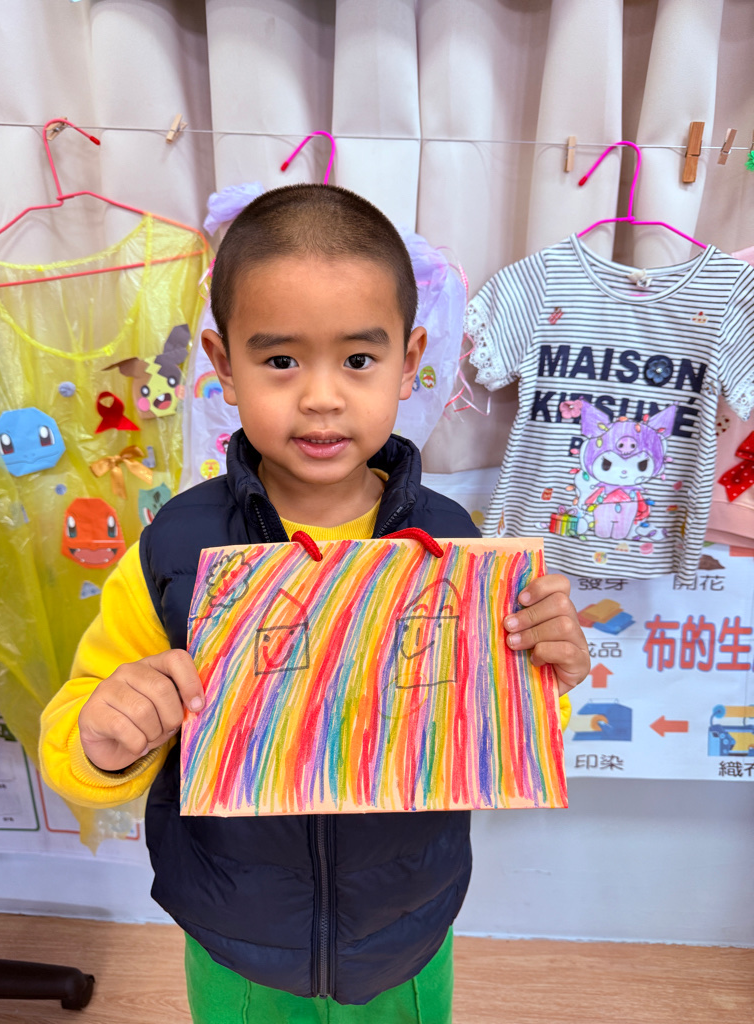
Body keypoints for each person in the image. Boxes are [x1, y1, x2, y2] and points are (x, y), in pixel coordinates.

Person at [40, 184, 591, 1024]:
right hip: (236, 935)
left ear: (410, 359)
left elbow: (495, 724)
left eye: (359, 360)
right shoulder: (174, 550)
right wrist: (104, 738)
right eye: (281, 361)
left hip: (407, 928)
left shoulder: (455, 545)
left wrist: (552, 673)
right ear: (223, 365)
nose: (322, 397)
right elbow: (79, 730)